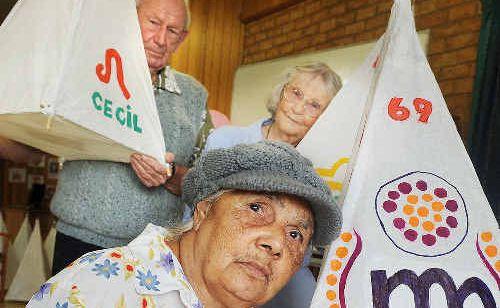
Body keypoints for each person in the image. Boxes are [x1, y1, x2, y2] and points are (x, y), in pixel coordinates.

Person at [27, 141, 342, 308]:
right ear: (203, 213)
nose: (276, 243)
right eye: (256, 207)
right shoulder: (102, 285)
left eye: (296, 234)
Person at [46, 0, 210, 274]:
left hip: (153, 250)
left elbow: (204, 179)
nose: (160, 39)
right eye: (153, 23)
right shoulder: (86, 72)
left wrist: (170, 174)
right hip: (78, 239)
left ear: (182, 38)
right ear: (130, 20)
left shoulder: (194, 95)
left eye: (172, 31)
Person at [204, 62, 342, 307]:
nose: (298, 108)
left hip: (283, 264)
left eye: (314, 105)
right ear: (281, 93)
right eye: (296, 93)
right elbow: (194, 211)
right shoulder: (227, 140)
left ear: (325, 118)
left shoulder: (320, 168)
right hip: (220, 254)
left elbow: (306, 244)